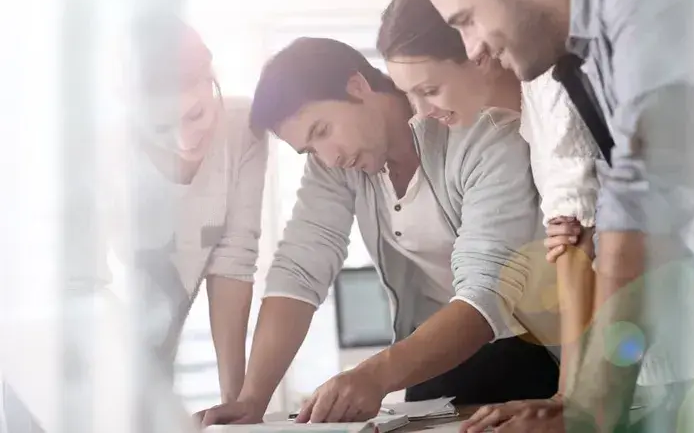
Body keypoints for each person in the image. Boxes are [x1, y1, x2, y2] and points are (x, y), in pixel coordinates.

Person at [422, 0, 694, 431]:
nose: (472, 49)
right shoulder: (589, 60)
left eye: (466, 20)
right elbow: (640, 236)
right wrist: (578, 399)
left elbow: (651, 178)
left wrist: (592, 407)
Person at [196, 36, 560, 426]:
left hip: (532, 351)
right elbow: (299, 269)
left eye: (322, 130)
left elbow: (488, 291)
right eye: (310, 149)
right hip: (430, 360)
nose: (329, 157)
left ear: (357, 86)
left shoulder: (484, 136)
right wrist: (252, 399)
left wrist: (373, 374)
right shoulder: (339, 165)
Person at [376, 0, 600, 408]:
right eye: (410, 95)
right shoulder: (526, 120)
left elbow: (578, 251)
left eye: (430, 90)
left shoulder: (552, 92)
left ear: (475, 51)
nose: (421, 112)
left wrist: (570, 400)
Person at [118, 12, 269, 400]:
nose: (185, 142)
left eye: (195, 114)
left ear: (210, 76)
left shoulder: (242, 129)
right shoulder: (101, 154)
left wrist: (236, 405)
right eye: (160, 128)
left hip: (156, 370)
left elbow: (234, 260)